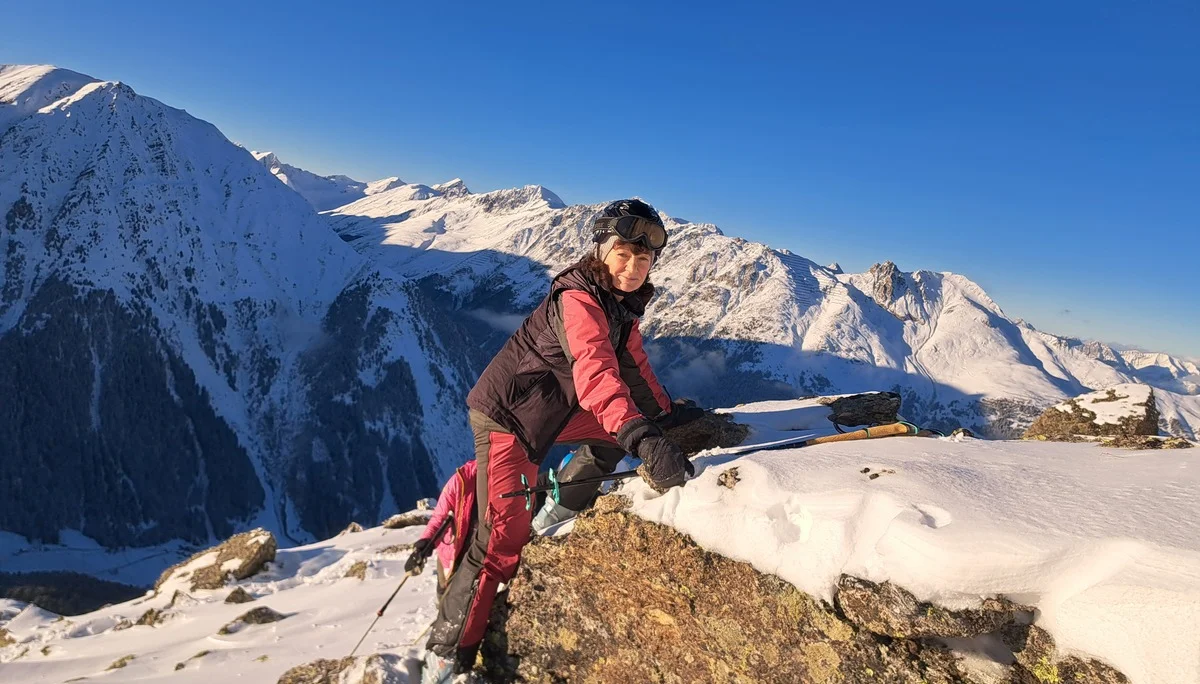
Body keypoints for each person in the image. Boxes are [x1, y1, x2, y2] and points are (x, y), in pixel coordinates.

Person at [422, 199, 697, 681]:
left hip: (555, 411)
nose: (633, 268)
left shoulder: (621, 306)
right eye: (624, 255)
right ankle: (448, 650)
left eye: (644, 259)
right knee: (501, 539)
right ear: (602, 250)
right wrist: (643, 437)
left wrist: (663, 416)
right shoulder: (580, 298)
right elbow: (595, 372)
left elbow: (633, 367)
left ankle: (559, 506)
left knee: (622, 433)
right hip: (508, 419)